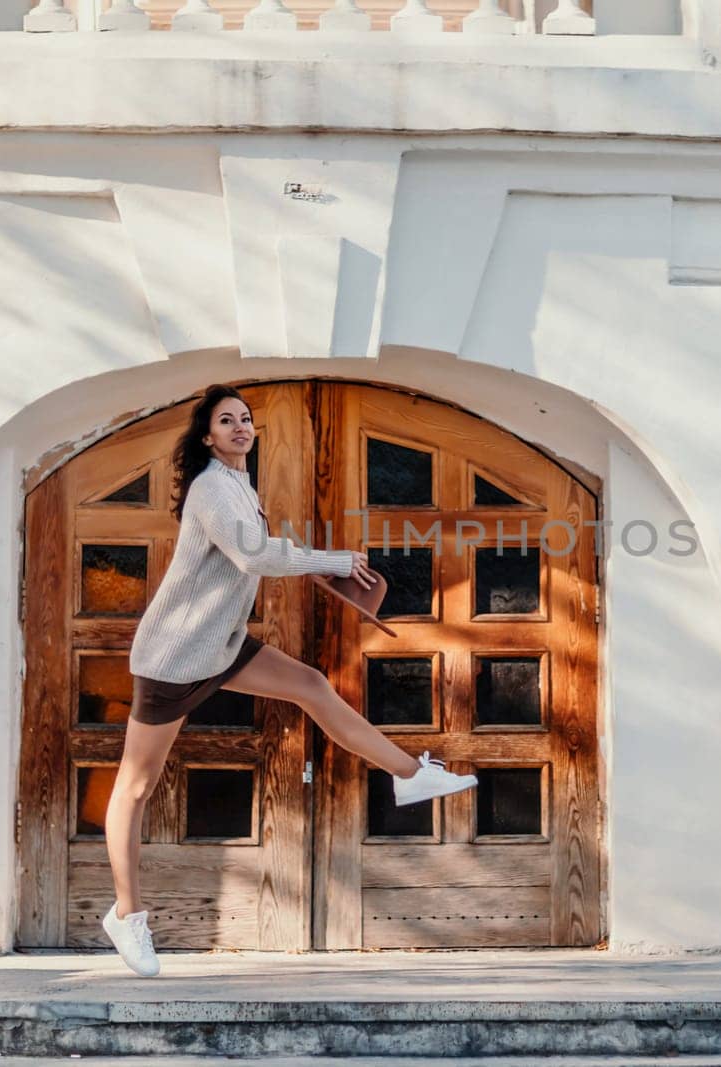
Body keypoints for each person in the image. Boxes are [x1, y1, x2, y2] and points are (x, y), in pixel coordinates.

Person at [99, 385, 476, 977]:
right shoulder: (210, 488)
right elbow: (255, 557)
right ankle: (127, 916)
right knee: (137, 788)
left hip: (220, 644)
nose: (240, 427)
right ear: (207, 436)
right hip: (173, 658)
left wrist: (323, 562)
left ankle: (410, 776)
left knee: (311, 685)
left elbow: (256, 554)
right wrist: (332, 559)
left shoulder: (238, 486)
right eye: (226, 421)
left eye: (245, 419)